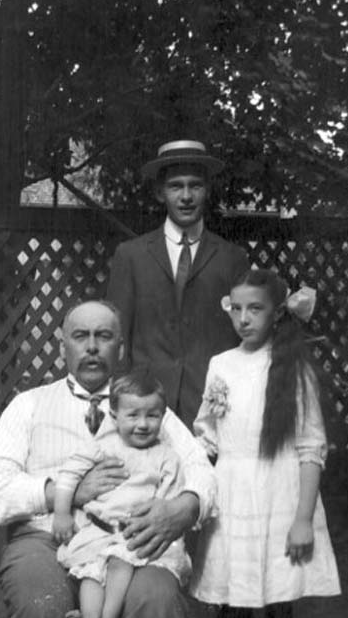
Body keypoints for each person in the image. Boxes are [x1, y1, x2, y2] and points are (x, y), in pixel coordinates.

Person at [0, 299, 217, 618]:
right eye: (80, 336)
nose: (91, 347)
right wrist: (66, 493)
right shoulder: (29, 405)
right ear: (63, 347)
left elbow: (200, 468)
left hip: (131, 539)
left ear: (119, 349)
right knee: (41, 602)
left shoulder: (146, 409)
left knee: (156, 600)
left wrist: (183, 507)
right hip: (46, 537)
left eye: (103, 336)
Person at [189, 269, 341, 618]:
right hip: (233, 494)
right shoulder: (220, 364)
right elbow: (207, 436)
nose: (243, 319)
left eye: (254, 309)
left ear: (276, 314)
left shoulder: (293, 367)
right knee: (230, 603)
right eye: (236, 308)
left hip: (281, 497)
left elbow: (311, 448)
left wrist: (304, 520)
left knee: (276, 604)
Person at [106, 139, 249, 429]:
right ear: (160, 192)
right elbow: (117, 338)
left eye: (195, 185)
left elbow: (244, 338)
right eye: (176, 186)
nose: (186, 196)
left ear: (207, 190)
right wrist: (123, 403)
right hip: (146, 407)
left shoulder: (232, 259)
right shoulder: (131, 256)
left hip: (212, 407)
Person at [53, 369, 191, 618]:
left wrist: (155, 516)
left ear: (163, 417)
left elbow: (168, 498)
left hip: (133, 536)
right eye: (133, 415)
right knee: (90, 572)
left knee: (119, 563)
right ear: (114, 416)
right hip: (99, 531)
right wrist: (62, 513)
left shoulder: (166, 456)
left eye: (152, 415)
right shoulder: (103, 447)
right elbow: (68, 475)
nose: (142, 424)